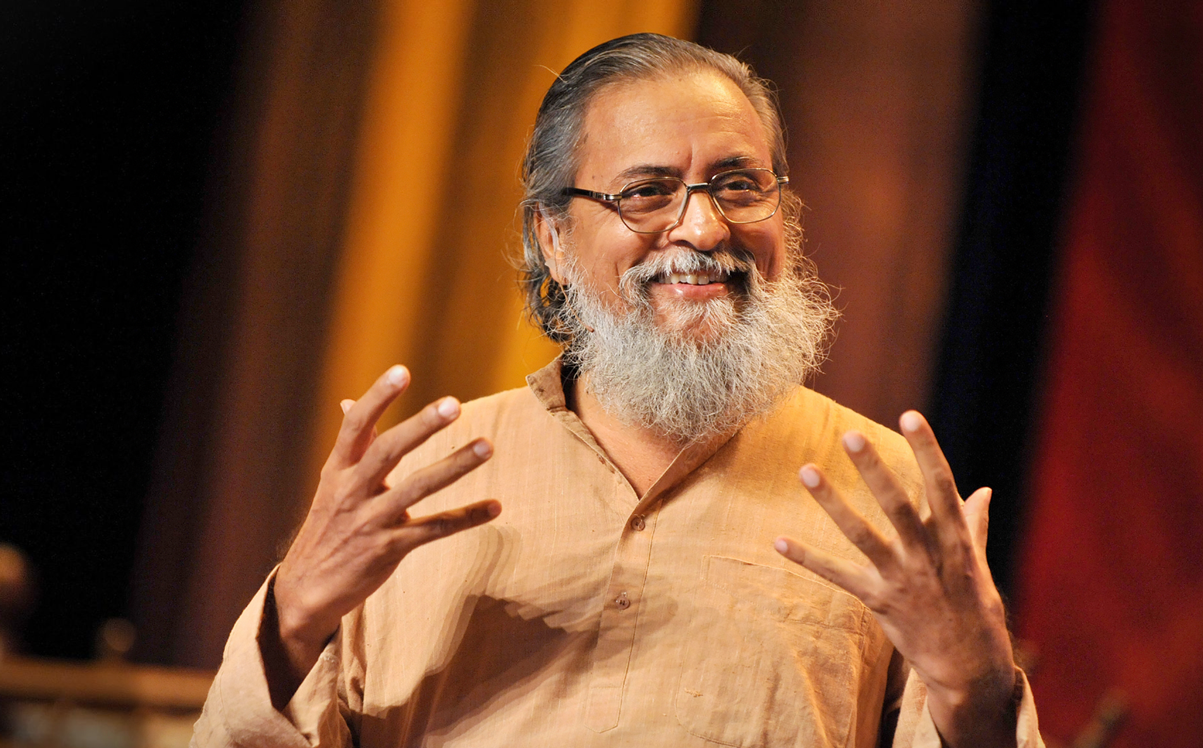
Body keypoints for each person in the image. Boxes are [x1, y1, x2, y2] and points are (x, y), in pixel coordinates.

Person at [193, 34, 1041, 748]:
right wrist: (295, 614)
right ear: (552, 238)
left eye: (739, 185)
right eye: (646, 193)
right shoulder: (419, 484)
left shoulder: (876, 485)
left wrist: (974, 690)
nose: (703, 228)